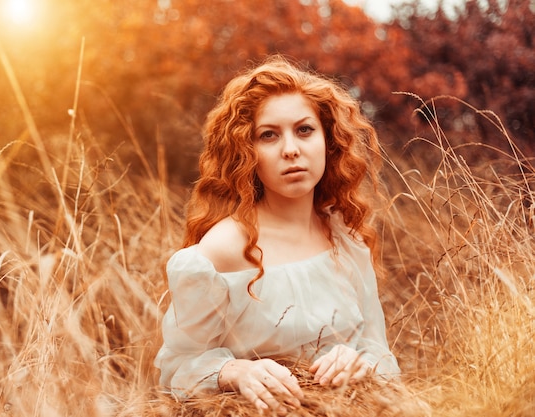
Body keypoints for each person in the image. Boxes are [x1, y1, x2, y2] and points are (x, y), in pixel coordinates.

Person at [154, 56, 400, 415]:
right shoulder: (222, 250)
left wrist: (360, 361)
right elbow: (176, 372)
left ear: (328, 141)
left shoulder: (346, 237)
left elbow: (381, 355)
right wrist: (235, 371)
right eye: (268, 135)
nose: (290, 149)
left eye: (304, 130)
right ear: (247, 152)